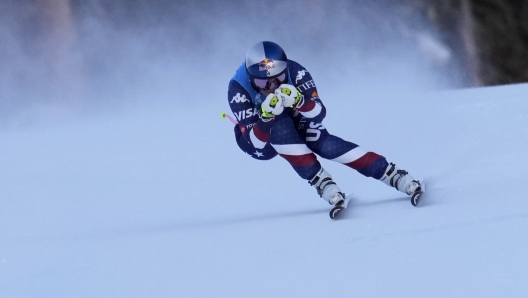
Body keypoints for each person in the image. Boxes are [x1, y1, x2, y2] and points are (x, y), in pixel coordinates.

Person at [227, 41, 422, 212]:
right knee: (280, 129)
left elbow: (319, 113)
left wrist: (299, 101)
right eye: (262, 81)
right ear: (250, 77)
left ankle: (391, 173)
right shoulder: (238, 89)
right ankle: (321, 182)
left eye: (278, 79)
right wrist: (267, 116)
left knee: (322, 142)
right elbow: (257, 144)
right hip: (259, 135)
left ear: (285, 70)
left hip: (291, 114)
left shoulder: (296, 71)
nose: (271, 86)